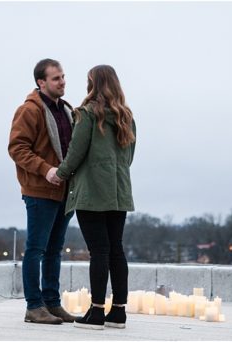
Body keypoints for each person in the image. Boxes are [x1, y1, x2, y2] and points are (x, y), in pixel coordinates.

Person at [47, 64, 136, 330]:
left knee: (99, 250)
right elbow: (129, 157)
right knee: (116, 249)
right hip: (119, 191)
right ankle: (118, 312)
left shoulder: (86, 114)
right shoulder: (126, 117)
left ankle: (96, 312)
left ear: (93, 84)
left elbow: (76, 153)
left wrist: (59, 174)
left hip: (92, 192)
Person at [8, 58, 77, 324]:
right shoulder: (29, 110)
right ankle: (33, 306)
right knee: (36, 249)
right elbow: (17, 148)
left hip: (64, 190)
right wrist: (46, 169)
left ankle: (52, 303)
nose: (62, 82)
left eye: (63, 77)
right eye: (56, 78)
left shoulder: (67, 110)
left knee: (54, 250)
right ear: (41, 82)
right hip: (39, 190)